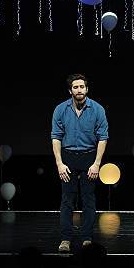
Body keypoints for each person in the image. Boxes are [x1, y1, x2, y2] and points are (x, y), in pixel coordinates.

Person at [51, 74, 108, 253]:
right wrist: (60, 163)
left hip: (89, 157)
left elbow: (103, 138)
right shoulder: (60, 109)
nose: (79, 90)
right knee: (67, 200)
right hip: (68, 157)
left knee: (88, 200)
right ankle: (66, 239)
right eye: (75, 87)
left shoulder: (98, 109)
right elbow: (56, 137)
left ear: (87, 89)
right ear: (70, 90)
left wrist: (97, 164)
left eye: (82, 87)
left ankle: (87, 239)